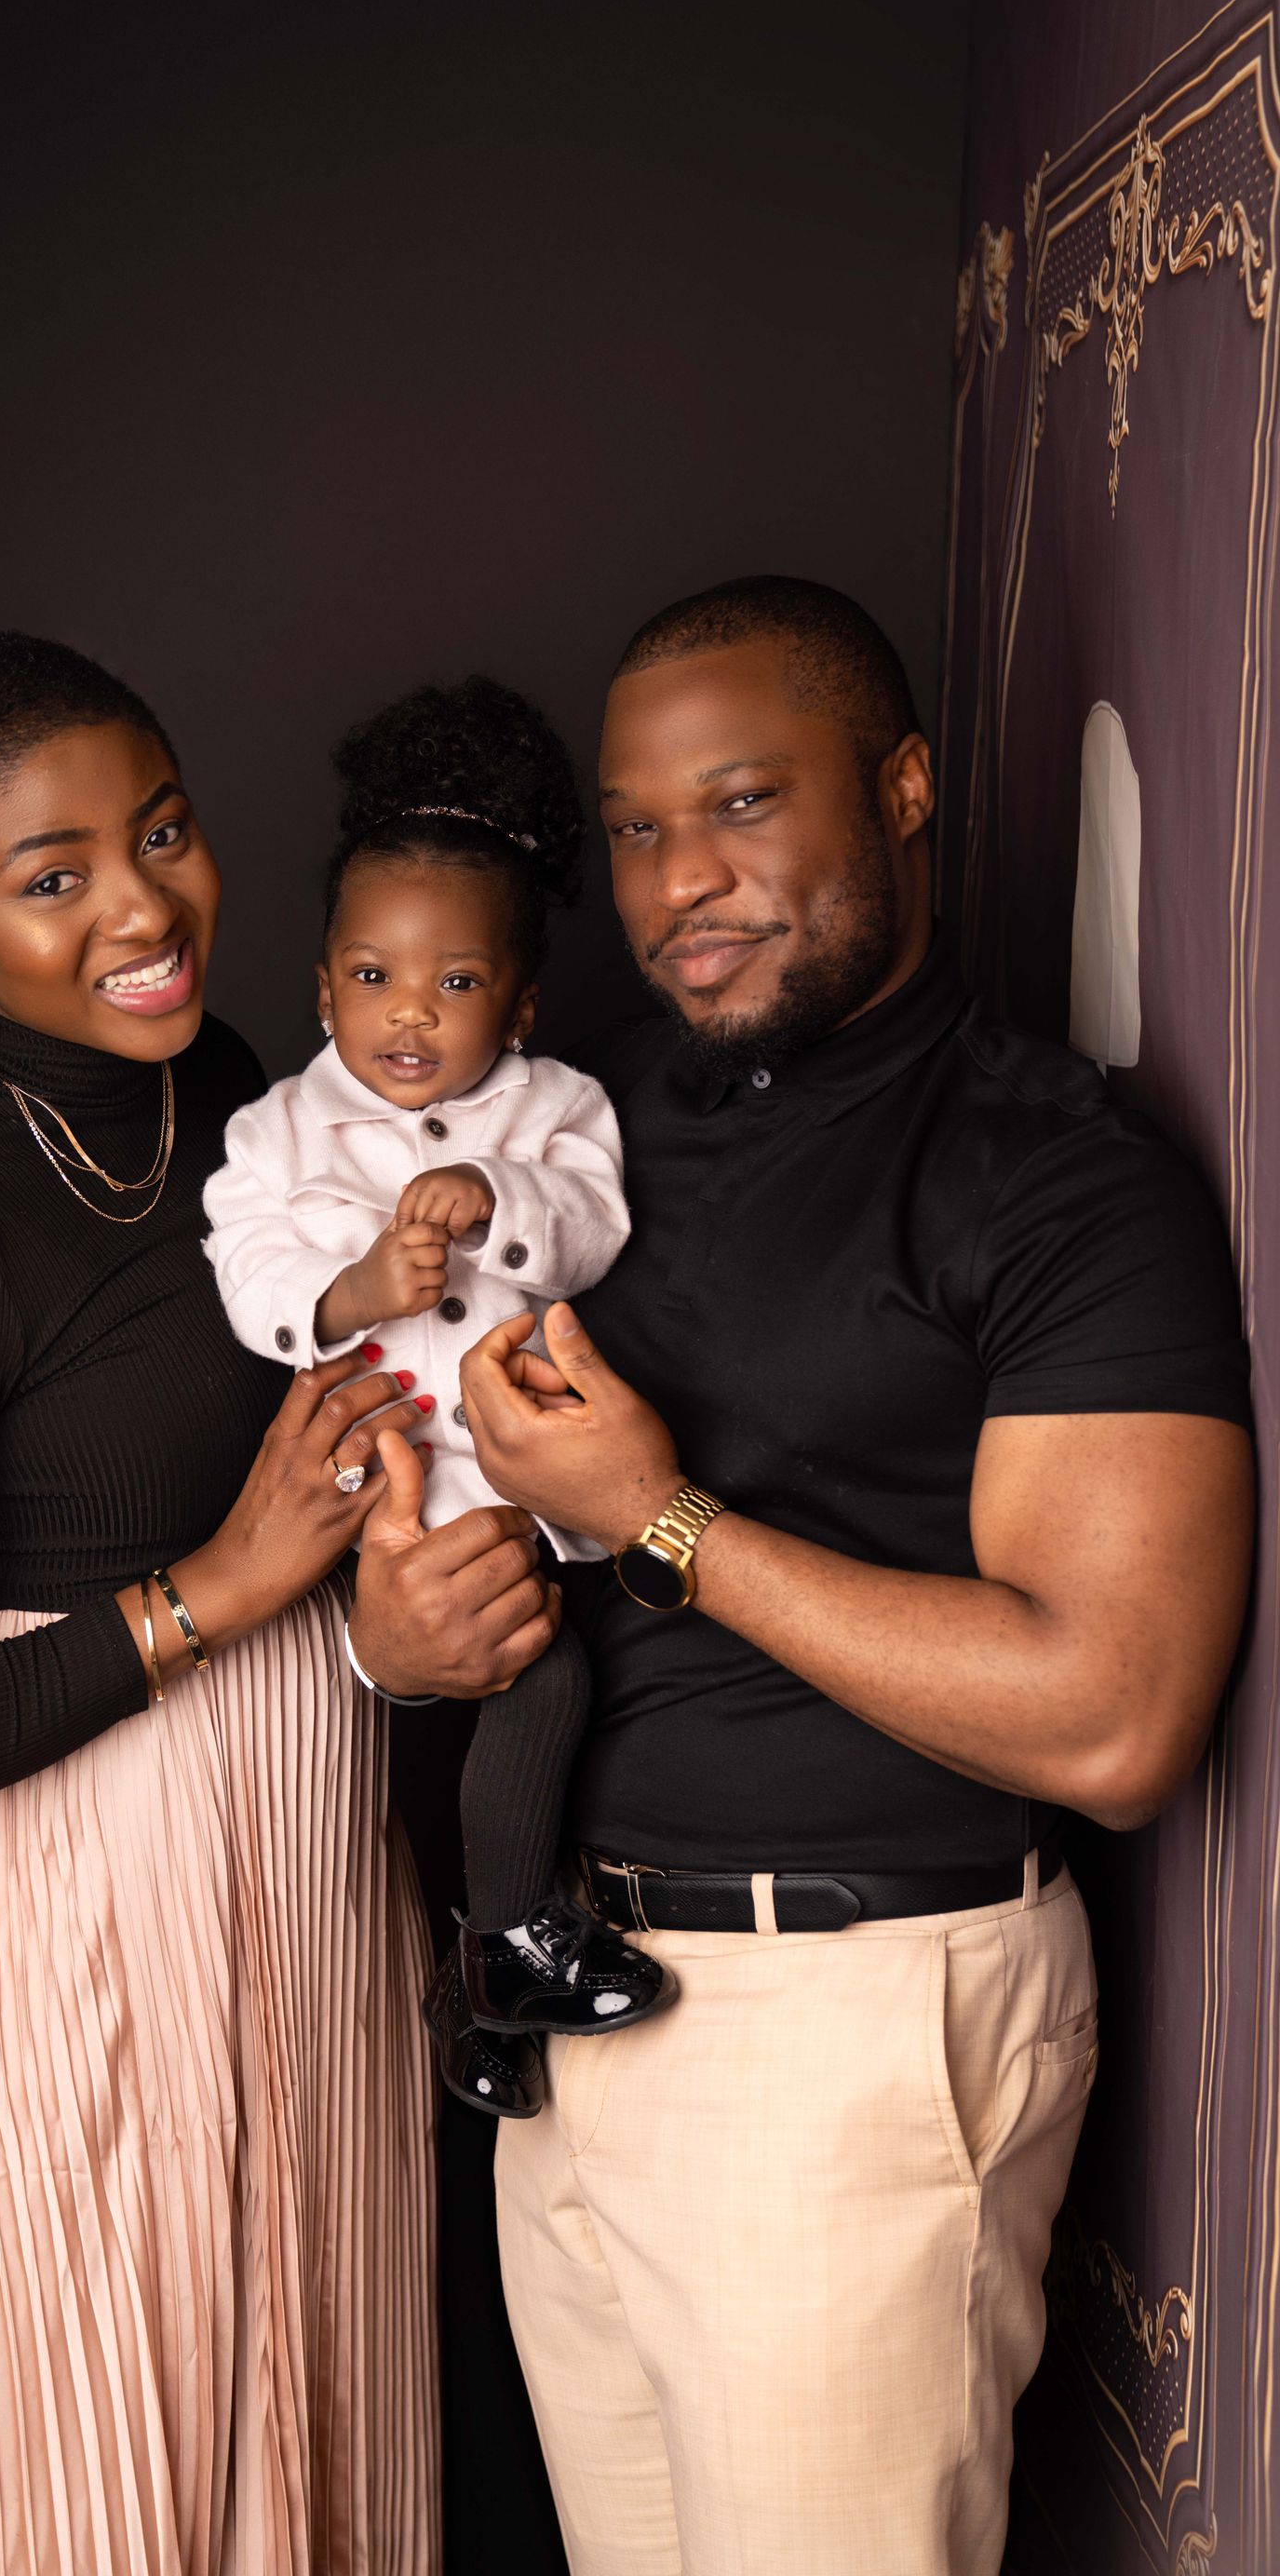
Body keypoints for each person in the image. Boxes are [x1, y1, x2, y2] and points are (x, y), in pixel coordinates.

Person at [343, 576, 1255, 2576]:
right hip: (575, 2012)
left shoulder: (1057, 1178)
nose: (684, 883)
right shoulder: (568, 1128)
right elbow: (450, 1470)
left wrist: (662, 1520)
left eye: (745, 805)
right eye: (643, 828)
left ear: (905, 787)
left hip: (849, 2028)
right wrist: (405, 1647)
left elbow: (1112, 1717)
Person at [0, 631, 480, 2576]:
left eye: (158, 830)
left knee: (315, 2420)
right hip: (43, 1909)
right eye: (52, 872)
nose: (146, 907)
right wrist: (220, 1589)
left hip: (303, 1849)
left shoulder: (245, 1098)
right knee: (78, 2467)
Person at [201, 677, 672, 2123]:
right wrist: (353, 1290)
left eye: (457, 984)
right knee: (464, 1704)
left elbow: (593, 1224)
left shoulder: (557, 1105)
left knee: (556, 1679)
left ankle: (493, 1976)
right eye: (373, 978)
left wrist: (501, 1199)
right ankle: (498, 1953)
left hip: (523, 1464)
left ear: (519, 1004)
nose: (410, 1016)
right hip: (377, 1476)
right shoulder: (279, 1128)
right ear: (323, 985)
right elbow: (250, 1268)